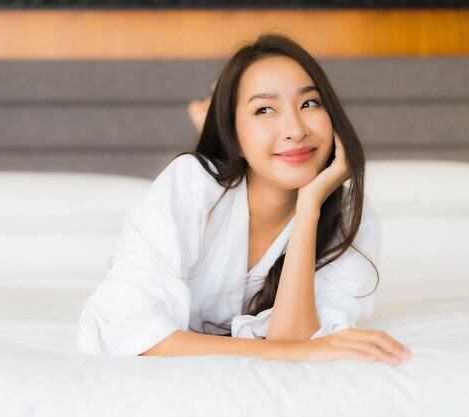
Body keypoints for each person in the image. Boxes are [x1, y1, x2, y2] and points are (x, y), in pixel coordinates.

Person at [78, 33, 411, 365]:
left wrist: (309, 207)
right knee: (209, 182)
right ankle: (212, 125)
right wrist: (285, 351)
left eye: (309, 103)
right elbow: (127, 330)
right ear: (232, 136)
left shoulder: (353, 217)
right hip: (215, 181)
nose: (295, 129)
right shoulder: (188, 183)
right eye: (264, 109)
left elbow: (298, 340)